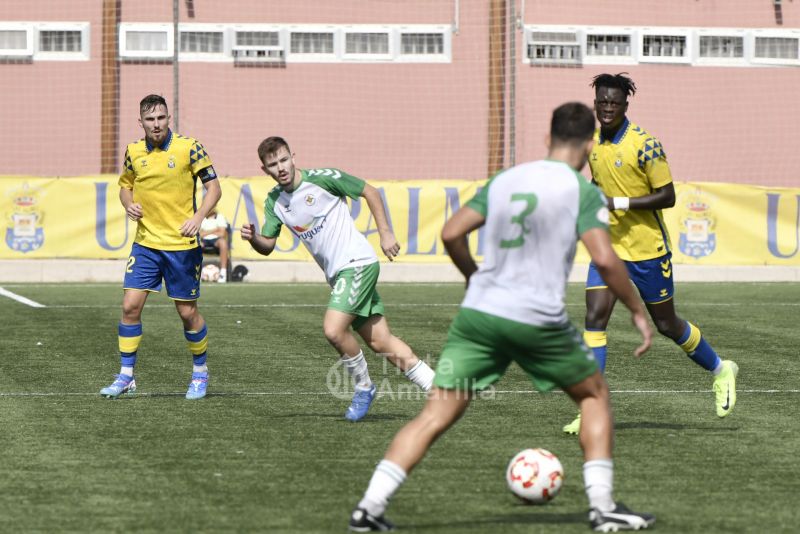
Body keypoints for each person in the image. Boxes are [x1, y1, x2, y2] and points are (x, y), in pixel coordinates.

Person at [348, 102, 656, 532]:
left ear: (547, 139)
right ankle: (603, 508)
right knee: (593, 396)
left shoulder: (506, 180)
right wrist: (637, 311)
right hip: (537, 319)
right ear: (590, 146)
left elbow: (451, 232)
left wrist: (474, 276)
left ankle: (369, 508)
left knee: (435, 415)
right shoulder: (582, 191)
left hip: (480, 316)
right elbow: (605, 259)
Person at [561, 73, 739, 434]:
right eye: (602, 102)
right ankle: (593, 409)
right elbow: (598, 184)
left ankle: (721, 369)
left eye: (614, 102)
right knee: (595, 319)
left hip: (647, 251)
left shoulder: (646, 146)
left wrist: (618, 201)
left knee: (667, 325)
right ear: (595, 104)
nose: (607, 108)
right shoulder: (591, 143)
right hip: (609, 248)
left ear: (626, 105)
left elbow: (668, 196)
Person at [240, 136, 435, 421]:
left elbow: (370, 191)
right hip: (340, 274)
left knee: (333, 330)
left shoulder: (324, 178)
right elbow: (267, 245)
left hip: (357, 263)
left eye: (283, 160)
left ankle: (364, 387)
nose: (280, 167)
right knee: (381, 341)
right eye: (273, 165)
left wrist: (386, 233)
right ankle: (440, 390)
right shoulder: (275, 201)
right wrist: (254, 238)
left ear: (293, 156)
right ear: (264, 169)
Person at [100, 94, 221, 401]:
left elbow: (214, 188)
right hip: (146, 245)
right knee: (129, 307)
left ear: (170, 118)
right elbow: (125, 185)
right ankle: (126, 376)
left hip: (181, 246)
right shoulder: (133, 151)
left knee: (186, 312)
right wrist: (129, 204)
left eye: (161, 118)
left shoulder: (189, 148)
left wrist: (198, 217)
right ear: (140, 122)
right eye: (150, 119)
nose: (156, 124)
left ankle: (200, 373)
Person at [200, 208, 230, 283]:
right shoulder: (201, 218)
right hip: (204, 241)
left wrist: (206, 232)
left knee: (223, 243)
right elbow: (200, 234)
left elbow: (222, 233)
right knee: (195, 244)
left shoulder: (220, 217)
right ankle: (196, 273)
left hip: (216, 241)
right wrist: (214, 230)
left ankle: (223, 273)